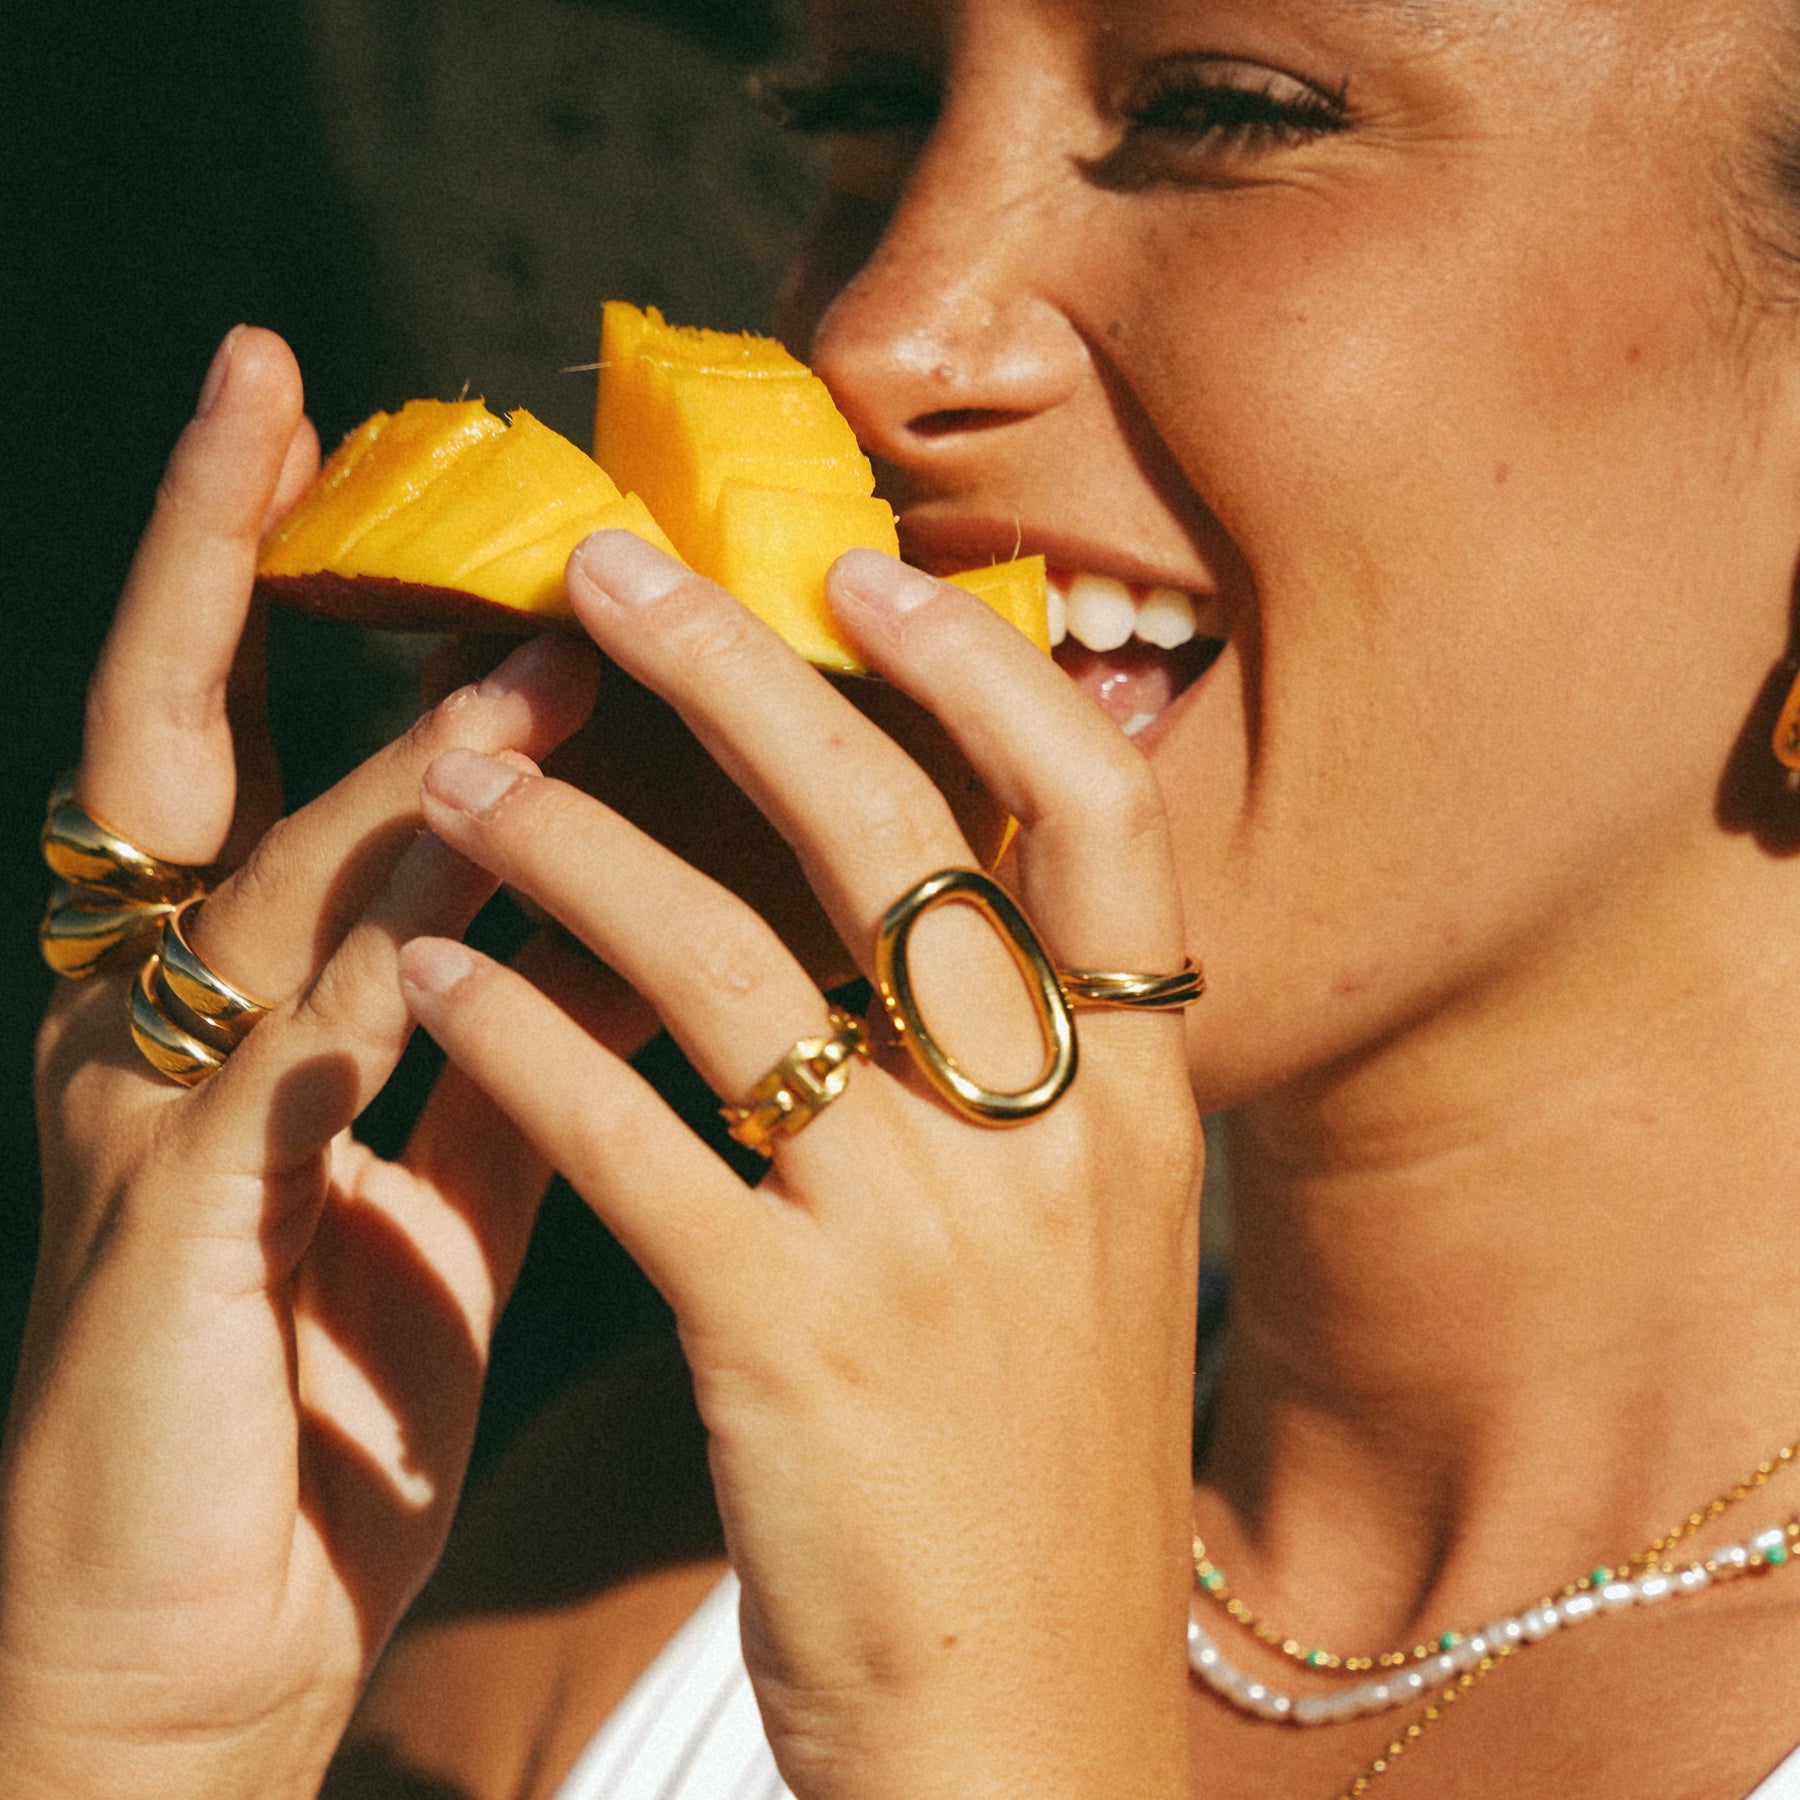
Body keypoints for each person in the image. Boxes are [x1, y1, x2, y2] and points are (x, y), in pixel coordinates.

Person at [11, 0, 1800, 1794]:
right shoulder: (611, 1575)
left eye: (1228, 114)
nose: (875, 337)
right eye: (865, 108)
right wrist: (131, 1737)